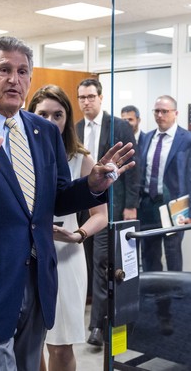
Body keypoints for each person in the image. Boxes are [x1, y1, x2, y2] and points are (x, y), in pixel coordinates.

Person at [0, 36, 136, 371]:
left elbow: (59, 196)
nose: (14, 79)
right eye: (4, 69)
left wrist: (91, 186)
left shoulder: (44, 132)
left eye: (22, 72)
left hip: (38, 281)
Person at [27, 85, 108, 371]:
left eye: (58, 115)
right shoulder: (19, 157)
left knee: (60, 348)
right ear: (30, 115)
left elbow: (101, 215)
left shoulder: (80, 158)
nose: (50, 122)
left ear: (67, 118)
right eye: (42, 114)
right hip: (27, 258)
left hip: (65, 257)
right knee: (29, 345)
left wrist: (78, 235)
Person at [75, 78, 140, 346]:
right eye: (81, 97)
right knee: (88, 264)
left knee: (103, 265)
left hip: (109, 207)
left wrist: (130, 205)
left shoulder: (119, 126)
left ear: (101, 97)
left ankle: (98, 327)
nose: (86, 102)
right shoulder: (76, 128)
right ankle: (92, 316)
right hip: (81, 210)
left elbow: (134, 168)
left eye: (90, 96)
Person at [137, 94, 191, 335]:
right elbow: (140, 172)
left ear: (175, 113)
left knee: (173, 255)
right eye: (156, 111)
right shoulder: (145, 137)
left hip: (174, 209)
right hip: (147, 207)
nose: (159, 115)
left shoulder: (188, 140)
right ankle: (157, 308)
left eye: (164, 111)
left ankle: (177, 310)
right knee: (150, 257)